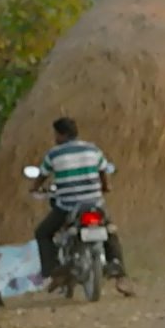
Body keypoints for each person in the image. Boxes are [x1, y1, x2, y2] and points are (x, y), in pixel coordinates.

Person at [32, 117, 129, 285]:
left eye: (56, 134)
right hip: (94, 204)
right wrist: (106, 187)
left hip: (68, 206)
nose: (55, 138)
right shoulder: (93, 150)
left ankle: (53, 270)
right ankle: (116, 263)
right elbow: (103, 172)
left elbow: (42, 175)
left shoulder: (54, 154)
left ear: (62, 134)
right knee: (109, 230)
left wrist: (35, 188)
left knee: (42, 233)